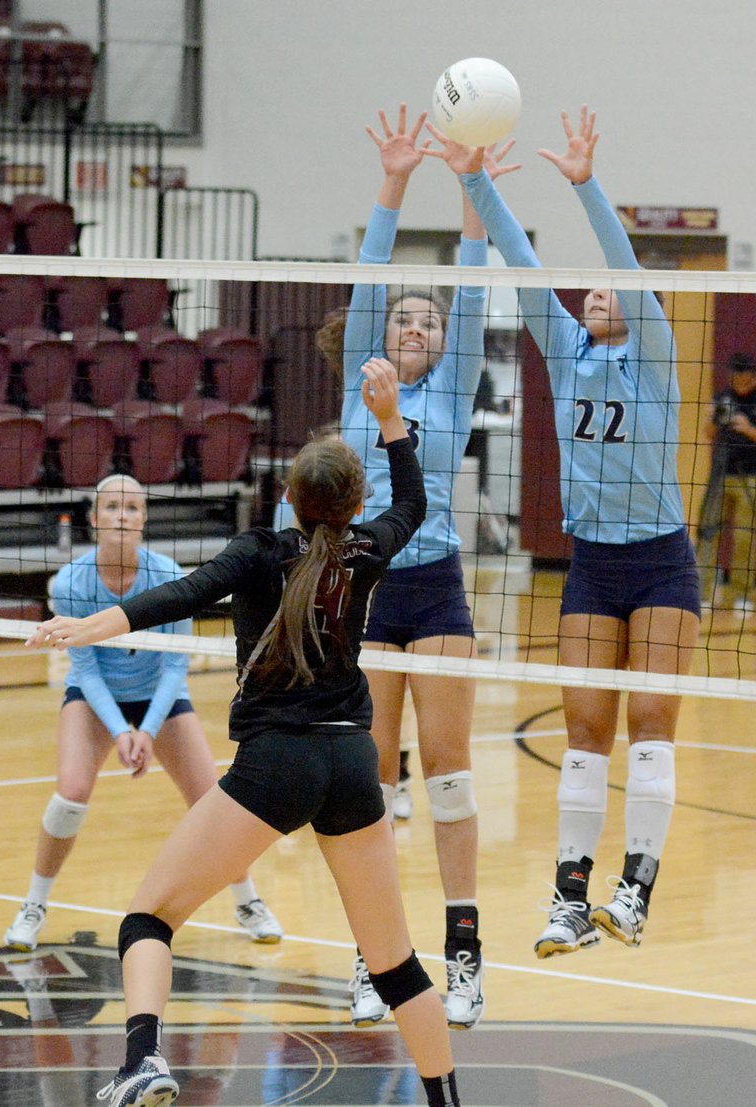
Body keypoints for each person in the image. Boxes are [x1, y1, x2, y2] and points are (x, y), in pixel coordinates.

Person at [27, 358, 467, 1107]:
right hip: (355, 764)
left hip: (276, 764)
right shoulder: (367, 549)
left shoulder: (259, 551)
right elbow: (417, 500)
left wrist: (84, 627)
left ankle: (144, 1059)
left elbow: (174, 596)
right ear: (354, 502)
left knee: (147, 917)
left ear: (288, 496)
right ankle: (447, 1101)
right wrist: (391, 415)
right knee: (395, 966)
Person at [425, 105, 700, 957]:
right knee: (584, 729)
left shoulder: (651, 350)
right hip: (591, 566)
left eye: (610, 288)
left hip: (660, 564)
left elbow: (623, 261)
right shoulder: (565, 345)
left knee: (652, 715)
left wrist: (586, 185)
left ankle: (636, 888)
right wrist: (472, 178)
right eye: (590, 288)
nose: (596, 289)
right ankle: (569, 899)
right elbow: (520, 261)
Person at [320, 104, 520, 1031]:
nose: (415, 324)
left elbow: (472, 291)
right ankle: (374, 957)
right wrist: (394, 181)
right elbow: (369, 274)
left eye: (427, 319)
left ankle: (465, 956)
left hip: (435, 588)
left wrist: (470, 184)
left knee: (447, 775)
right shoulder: (364, 379)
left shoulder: (455, 381)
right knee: (372, 780)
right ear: (381, 333)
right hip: (361, 588)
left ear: (443, 342)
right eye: (402, 315)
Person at [4, 474, 282, 954]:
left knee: (214, 798)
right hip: (96, 696)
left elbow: (177, 664)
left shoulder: (169, 574)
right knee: (70, 795)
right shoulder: (72, 582)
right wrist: (119, 731)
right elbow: (85, 669)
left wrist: (148, 731)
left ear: (144, 520)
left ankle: (247, 900)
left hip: (159, 693)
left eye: (132, 508)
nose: (122, 517)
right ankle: (34, 904)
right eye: (111, 507)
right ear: (94, 519)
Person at [696, 351, 756, 612]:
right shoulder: (723, 398)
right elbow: (709, 433)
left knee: (745, 538)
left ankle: (742, 594)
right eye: (733, 375)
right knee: (708, 532)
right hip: (720, 475)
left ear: (751, 376)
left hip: (751, 477)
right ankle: (703, 593)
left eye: (741, 375)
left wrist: (748, 429)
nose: (737, 380)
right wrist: (712, 420)